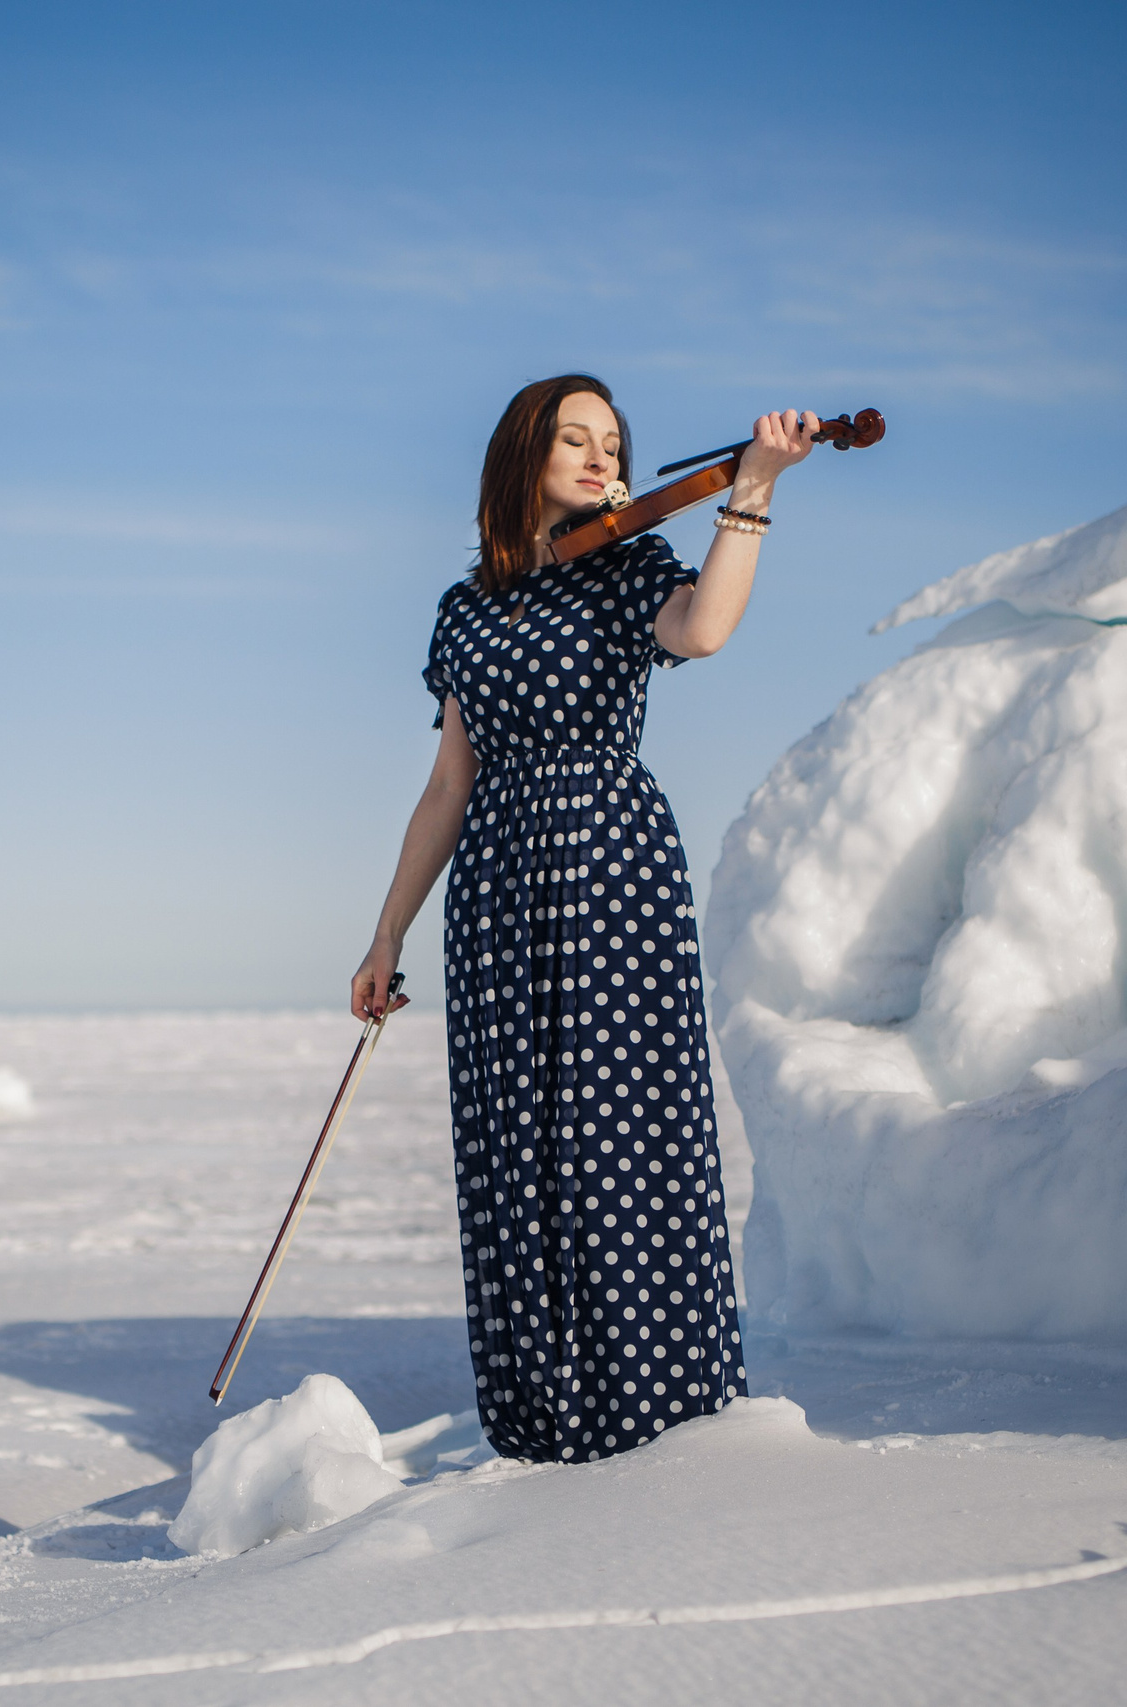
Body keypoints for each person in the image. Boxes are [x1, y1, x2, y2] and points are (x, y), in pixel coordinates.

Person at [352, 373, 818, 1463]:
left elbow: (705, 629)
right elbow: (447, 787)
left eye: (612, 441)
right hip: (496, 887)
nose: (604, 456)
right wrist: (387, 934)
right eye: (576, 438)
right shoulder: (465, 610)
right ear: (523, 454)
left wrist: (752, 492)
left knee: (617, 1133)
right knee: (518, 1138)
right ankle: (541, 1413)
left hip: (609, 866)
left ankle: (649, 1405)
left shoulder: (629, 566)